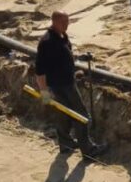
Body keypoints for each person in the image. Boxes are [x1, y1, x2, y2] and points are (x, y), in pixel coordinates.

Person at [34, 12, 103, 158]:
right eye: (63, 22)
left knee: (64, 114)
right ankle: (88, 150)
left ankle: (66, 145)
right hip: (61, 86)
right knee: (81, 115)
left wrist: (78, 59)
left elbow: (65, 56)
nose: (66, 25)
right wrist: (45, 94)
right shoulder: (46, 42)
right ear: (54, 22)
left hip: (67, 81)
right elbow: (40, 71)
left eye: (67, 22)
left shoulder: (62, 36)